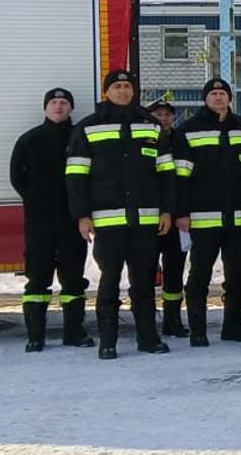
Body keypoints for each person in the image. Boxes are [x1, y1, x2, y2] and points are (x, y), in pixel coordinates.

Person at [66, 69, 176, 359]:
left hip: (145, 220)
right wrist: (82, 215)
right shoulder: (88, 128)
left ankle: (148, 338)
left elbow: (167, 173)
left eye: (128, 86)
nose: (123, 91)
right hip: (108, 222)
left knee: (143, 284)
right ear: (107, 92)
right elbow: (76, 175)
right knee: (109, 282)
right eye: (117, 86)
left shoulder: (150, 125)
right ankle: (108, 342)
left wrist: (167, 210)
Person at [173, 78, 241, 346]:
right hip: (202, 220)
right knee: (199, 276)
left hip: (238, 218)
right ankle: (198, 330)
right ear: (205, 99)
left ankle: (232, 327)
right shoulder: (188, 131)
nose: (218, 98)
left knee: (237, 276)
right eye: (213, 93)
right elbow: (180, 178)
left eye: (222, 93)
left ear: (229, 98)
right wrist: (181, 212)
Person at [11, 86, 92, 353]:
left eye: (64, 102)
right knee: (37, 279)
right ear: (45, 107)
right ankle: (35, 336)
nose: (59, 106)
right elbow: (17, 177)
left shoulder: (80, 138)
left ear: (71, 108)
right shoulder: (29, 140)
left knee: (73, 279)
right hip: (39, 222)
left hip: (72, 221)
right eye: (54, 102)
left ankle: (74, 333)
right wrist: (36, 201)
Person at [147, 97, 187, 338]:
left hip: (176, 217)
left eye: (167, 115)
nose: (163, 118)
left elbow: (184, 180)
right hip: (149, 217)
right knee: (146, 271)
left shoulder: (181, 141)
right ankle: (148, 321)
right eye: (158, 115)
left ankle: (173, 321)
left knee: (175, 271)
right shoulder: (144, 138)